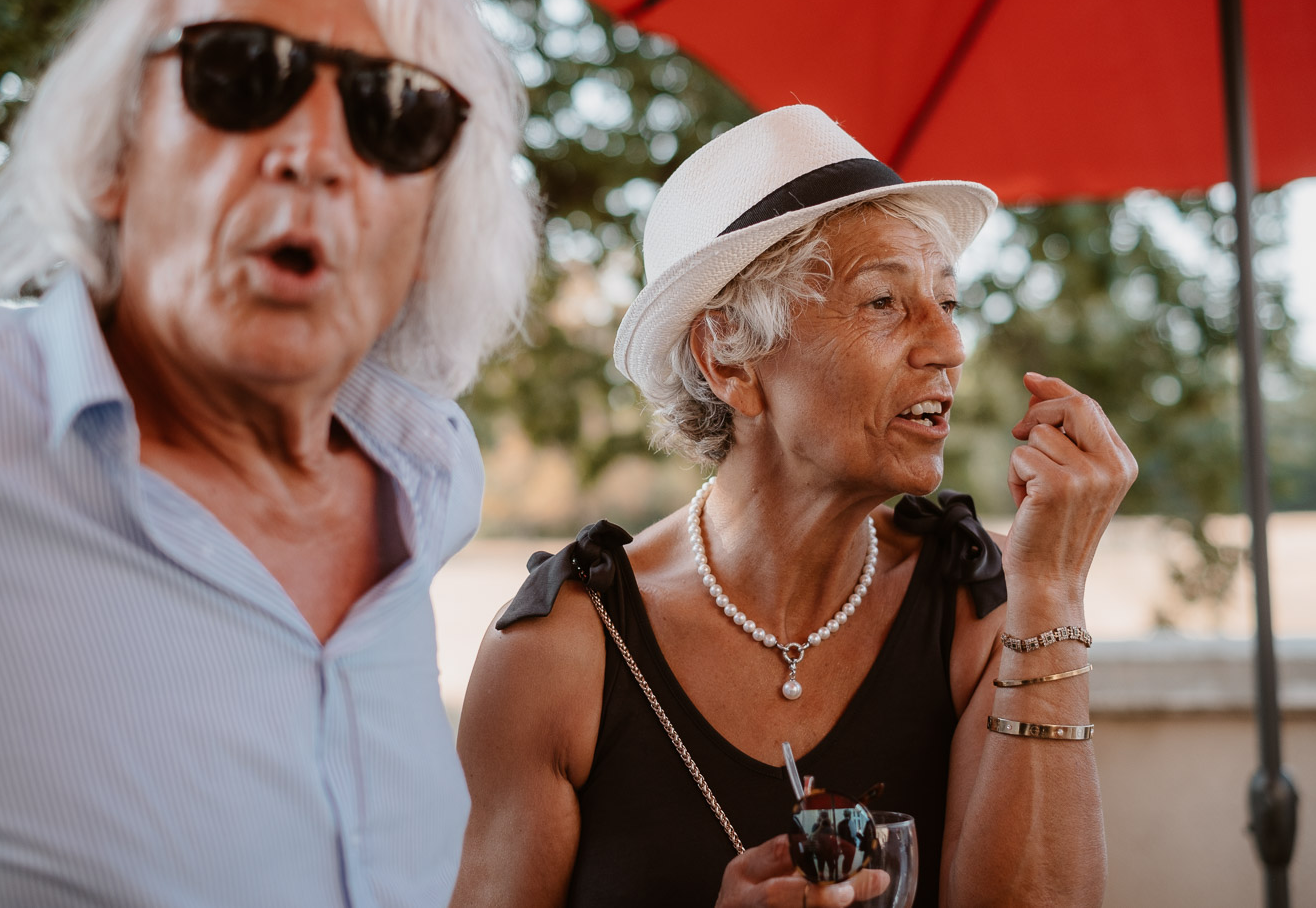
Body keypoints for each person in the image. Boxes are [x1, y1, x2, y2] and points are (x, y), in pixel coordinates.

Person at [0, 0, 535, 904]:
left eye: (394, 114)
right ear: (112, 156)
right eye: (241, 73)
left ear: (427, 231)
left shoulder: (432, 476)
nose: (314, 153)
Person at [451, 105, 1134, 907]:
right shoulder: (558, 656)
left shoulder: (976, 604)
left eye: (946, 303)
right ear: (730, 360)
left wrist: (1050, 592)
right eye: (884, 302)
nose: (948, 346)